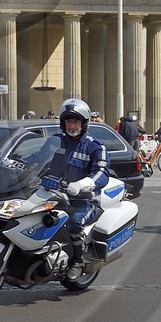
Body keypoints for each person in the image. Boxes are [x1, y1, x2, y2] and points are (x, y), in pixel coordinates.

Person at [38, 98, 110, 277]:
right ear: (63, 123)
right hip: (54, 196)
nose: (72, 125)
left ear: (84, 123)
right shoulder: (55, 141)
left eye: (76, 121)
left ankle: (77, 261)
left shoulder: (95, 146)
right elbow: (38, 160)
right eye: (69, 121)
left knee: (74, 222)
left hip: (84, 202)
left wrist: (81, 184)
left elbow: (102, 174)